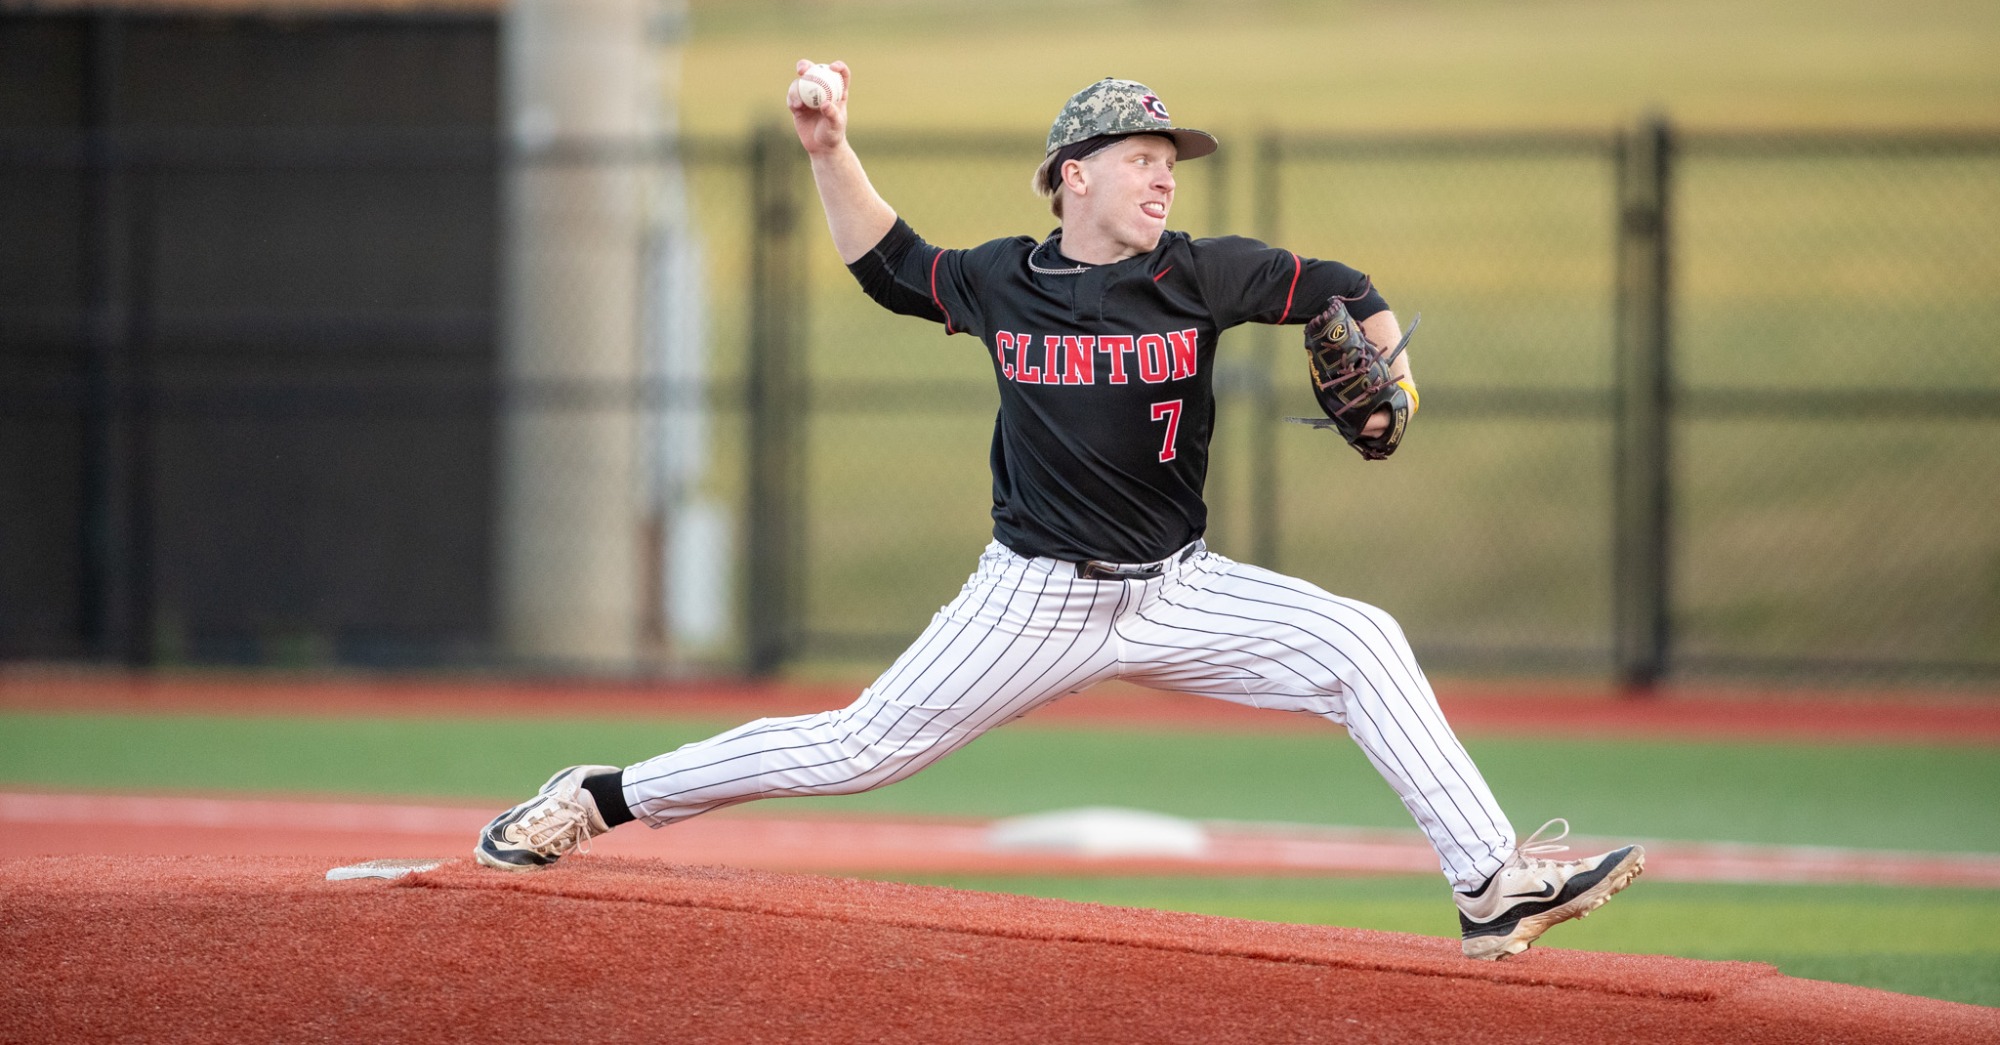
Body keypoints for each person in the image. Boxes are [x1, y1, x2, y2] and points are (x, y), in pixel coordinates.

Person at [475, 64, 1644, 961]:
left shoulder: (1197, 272)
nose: (1162, 177)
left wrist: (1393, 383)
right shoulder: (1004, 280)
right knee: (860, 748)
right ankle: (599, 796)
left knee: (1361, 642)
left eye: (1168, 161)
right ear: (1071, 174)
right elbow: (887, 265)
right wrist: (829, 147)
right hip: (1033, 598)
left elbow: (1342, 290)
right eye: (1140, 156)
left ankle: (1489, 885)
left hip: (1179, 586)